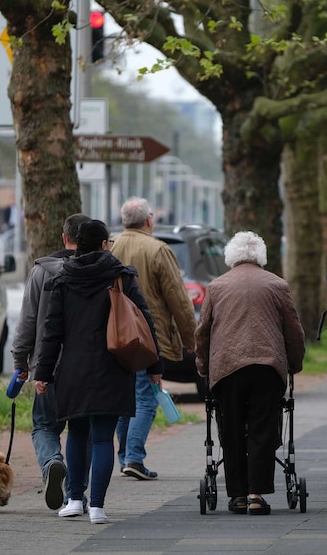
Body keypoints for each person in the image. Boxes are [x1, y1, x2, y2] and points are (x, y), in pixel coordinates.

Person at [34, 220, 162, 524]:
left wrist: (43, 372)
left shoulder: (63, 279)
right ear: (105, 244)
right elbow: (144, 322)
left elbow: (53, 332)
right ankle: (98, 508)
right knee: (103, 438)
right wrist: (155, 367)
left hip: (73, 370)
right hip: (112, 369)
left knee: (76, 434)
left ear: (77, 244)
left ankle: (75, 499)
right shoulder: (121, 276)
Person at [195, 231, 305, 516]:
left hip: (227, 368)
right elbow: (293, 330)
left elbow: (203, 331)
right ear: (261, 256)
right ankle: (257, 494)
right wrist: (294, 363)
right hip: (267, 367)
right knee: (263, 428)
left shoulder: (217, 287)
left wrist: (203, 366)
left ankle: (238, 495)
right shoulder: (277, 285)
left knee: (231, 429)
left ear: (231, 256)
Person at [110, 197, 197, 480]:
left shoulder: (110, 246)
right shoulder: (158, 249)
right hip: (148, 335)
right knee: (145, 397)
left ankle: (125, 457)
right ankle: (134, 457)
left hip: (114, 335)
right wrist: (191, 339)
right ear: (149, 220)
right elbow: (179, 299)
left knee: (124, 398)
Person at [11, 213, 91, 510]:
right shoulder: (96, 270)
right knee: (83, 432)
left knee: (45, 426)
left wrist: (21, 362)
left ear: (63, 236)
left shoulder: (41, 271)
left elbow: (28, 321)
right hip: (86, 368)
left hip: (49, 367)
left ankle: (52, 462)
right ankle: (77, 495)